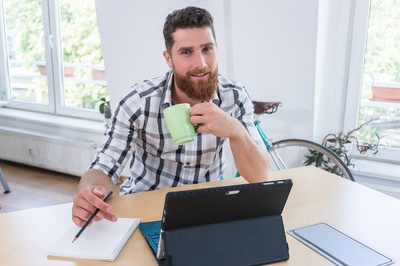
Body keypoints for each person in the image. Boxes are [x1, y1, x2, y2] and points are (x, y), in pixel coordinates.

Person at [72, 6, 269, 227]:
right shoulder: (138, 101)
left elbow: (260, 175)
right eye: (186, 52)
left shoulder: (235, 96)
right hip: (145, 211)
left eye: (207, 49)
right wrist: (89, 193)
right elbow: (104, 165)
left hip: (207, 211)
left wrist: (236, 131)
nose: (201, 63)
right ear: (169, 58)